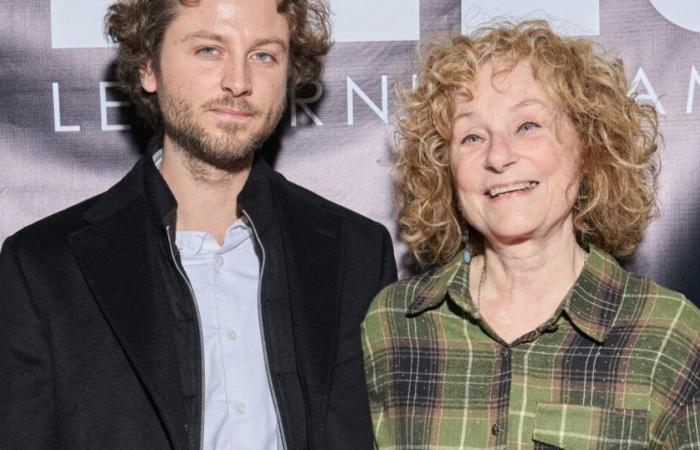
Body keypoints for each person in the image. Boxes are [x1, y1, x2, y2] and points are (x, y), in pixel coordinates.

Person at [0, 0, 396, 448]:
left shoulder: (357, 252)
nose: (238, 82)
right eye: (209, 50)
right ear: (148, 66)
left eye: (264, 55)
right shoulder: (45, 268)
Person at [362, 20, 699, 449]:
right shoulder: (393, 326)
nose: (499, 156)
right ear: (443, 168)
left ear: (589, 145)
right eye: (471, 136)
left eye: (527, 126)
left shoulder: (669, 334)